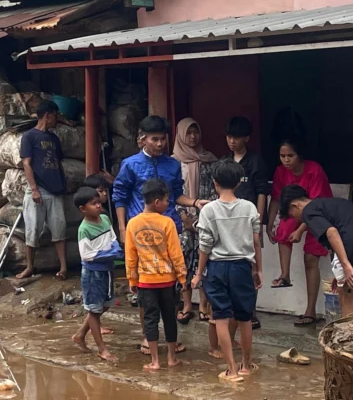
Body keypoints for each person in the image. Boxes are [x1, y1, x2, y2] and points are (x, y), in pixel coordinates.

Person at [112, 115, 208, 354]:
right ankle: (148, 336)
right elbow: (120, 196)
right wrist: (123, 228)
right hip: (140, 232)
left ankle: (171, 339)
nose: (160, 144)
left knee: (172, 285)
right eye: (154, 139)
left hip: (170, 230)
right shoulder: (130, 164)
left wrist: (195, 202)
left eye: (163, 139)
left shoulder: (172, 165)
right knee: (146, 289)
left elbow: (177, 195)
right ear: (142, 139)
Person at [192, 161, 262, 383]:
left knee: (221, 316)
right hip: (242, 266)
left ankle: (231, 370)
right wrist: (258, 268)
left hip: (217, 267)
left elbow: (205, 245)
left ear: (214, 184)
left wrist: (198, 272)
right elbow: (256, 241)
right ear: (239, 183)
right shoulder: (249, 207)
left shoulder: (208, 210)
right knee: (245, 317)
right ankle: (247, 366)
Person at [281, 186, 353, 316]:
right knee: (350, 292)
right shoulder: (328, 203)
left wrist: (345, 265)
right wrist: (339, 273)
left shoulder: (308, 211)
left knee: (345, 297)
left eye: (292, 215)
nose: (296, 219)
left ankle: (350, 334)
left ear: (295, 205)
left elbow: (332, 232)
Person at [267, 139, 333, 326]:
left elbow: (315, 207)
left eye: (290, 156)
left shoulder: (314, 170)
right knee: (283, 230)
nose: (286, 160)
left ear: (300, 155)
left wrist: (299, 230)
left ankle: (310, 311)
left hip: (320, 215)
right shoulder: (281, 172)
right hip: (296, 213)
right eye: (282, 156)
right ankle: (285, 275)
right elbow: (277, 199)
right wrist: (269, 223)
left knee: (310, 259)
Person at [124, 178, 188, 371]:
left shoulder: (132, 224)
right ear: (157, 202)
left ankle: (154, 361)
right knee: (170, 318)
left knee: (150, 320)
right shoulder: (167, 223)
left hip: (145, 282)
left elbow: (130, 256)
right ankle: (171, 358)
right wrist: (182, 277)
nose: (168, 204)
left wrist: (132, 279)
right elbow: (176, 254)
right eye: (167, 201)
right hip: (167, 281)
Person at [223, 116, 269, 329]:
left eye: (237, 137)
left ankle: (251, 310)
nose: (232, 141)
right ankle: (235, 309)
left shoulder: (255, 161)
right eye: (229, 137)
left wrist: (258, 221)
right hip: (228, 222)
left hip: (248, 219)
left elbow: (261, 191)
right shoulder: (225, 161)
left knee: (252, 265)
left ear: (247, 138)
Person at [17, 100, 69, 280]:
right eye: (55, 115)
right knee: (32, 230)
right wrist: (34, 189)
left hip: (55, 191)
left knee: (59, 230)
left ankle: (63, 268)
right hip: (38, 190)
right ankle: (29, 267)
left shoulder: (54, 139)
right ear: (48, 115)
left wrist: (63, 184)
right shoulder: (29, 137)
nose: (57, 119)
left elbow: (58, 163)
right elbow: (26, 164)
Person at [172, 117, 217, 324]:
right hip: (182, 221)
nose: (192, 137)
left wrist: (206, 218)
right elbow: (172, 194)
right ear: (180, 135)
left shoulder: (210, 160)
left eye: (196, 132)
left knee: (205, 260)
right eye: (188, 133)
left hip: (205, 220)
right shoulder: (173, 163)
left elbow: (215, 192)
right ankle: (187, 303)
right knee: (183, 262)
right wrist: (183, 216)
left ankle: (205, 304)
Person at [74, 187, 123, 363]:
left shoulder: (104, 218)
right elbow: (86, 255)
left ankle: (80, 334)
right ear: (82, 209)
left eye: (98, 202)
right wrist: (109, 254)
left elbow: (112, 238)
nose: (98, 206)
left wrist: (115, 248)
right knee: (95, 310)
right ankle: (102, 349)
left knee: (105, 305)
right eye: (93, 204)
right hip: (93, 273)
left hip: (107, 270)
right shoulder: (84, 229)